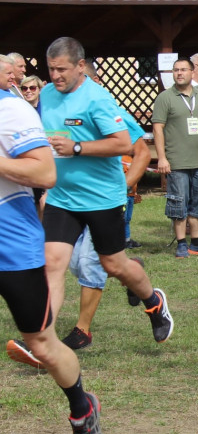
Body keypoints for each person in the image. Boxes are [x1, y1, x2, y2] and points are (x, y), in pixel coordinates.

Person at [28, 37, 172, 348]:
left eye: (62, 69)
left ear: (80, 66)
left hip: (101, 198)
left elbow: (124, 143)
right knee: (52, 262)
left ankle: (153, 301)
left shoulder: (97, 99)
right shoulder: (48, 95)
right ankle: (43, 340)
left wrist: (78, 147)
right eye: (51, 69)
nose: (55, 76)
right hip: (62, 197)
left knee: (113, 265)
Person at [0, 81, 104, 434]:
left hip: (11, 249)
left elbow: (45, 173)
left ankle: (82, 410)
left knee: (41, 343)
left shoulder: (10, 110)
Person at [62, 62, 150, 350]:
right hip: (69, 200)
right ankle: (130, 271)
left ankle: (82, 330)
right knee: (77, 263)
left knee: (90, 263)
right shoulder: (61, 111)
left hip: (104, 199)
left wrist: (123, 187)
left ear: (92, 80)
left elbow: (141, 151)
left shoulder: (113, 111)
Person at [152, 58, 198, 257]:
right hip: (177, 161)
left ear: (193, 73)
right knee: (178, 202)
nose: (179, 73)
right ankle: (182, 243)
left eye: (183, 69)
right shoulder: (165, 98)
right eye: (176, 70)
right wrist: (162, 158)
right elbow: (158, 129)